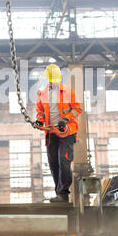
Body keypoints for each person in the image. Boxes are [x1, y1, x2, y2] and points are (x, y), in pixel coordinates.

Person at [35, 64, 82, 203]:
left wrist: (66, 119)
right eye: (51, 79)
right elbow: (40, 112)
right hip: (51, 132)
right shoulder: (42, 94)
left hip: (67, 131)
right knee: (53, 162)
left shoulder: (68, 92)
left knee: (63, 160)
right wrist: (39, 121)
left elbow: (77, 109)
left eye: (54, 79)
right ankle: (59, 193)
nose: (53, 82)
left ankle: (63, 194)